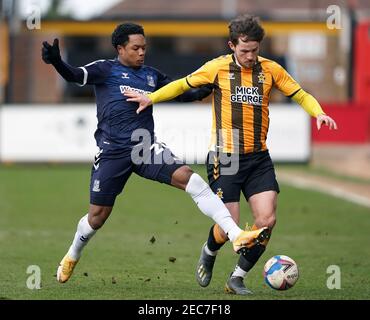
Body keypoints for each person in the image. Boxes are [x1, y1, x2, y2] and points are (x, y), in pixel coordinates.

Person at [124, 15, 338, 295]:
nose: (250, 56)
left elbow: (300, 94)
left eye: (254, 50)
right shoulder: (217, 68)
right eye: (244, 50)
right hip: (225, 156)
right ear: (232, 45)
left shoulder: (271, 70)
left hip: (259, 157)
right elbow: (182, 84)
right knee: (229, 224)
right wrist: (151, 97)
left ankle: (237, 277)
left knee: (267, 221)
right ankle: (209, 251)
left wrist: (318, 112)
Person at [41, 22, 268, 284]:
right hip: (112, 153)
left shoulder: (151, 75)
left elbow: (180, 92)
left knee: (191, 179)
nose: (141, 53)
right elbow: (72, 75)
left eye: (144, 48)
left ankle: (236, 234)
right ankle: (72, 254)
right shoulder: (104, 69)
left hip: (145, 147)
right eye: (135, 48)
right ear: (120, 48)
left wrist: (204, 89)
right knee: (97, 217)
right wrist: (57, 62)